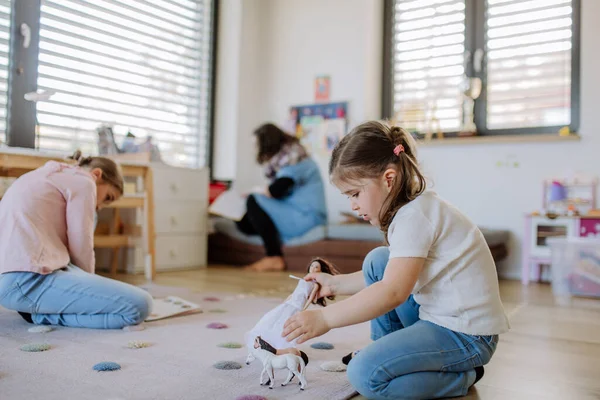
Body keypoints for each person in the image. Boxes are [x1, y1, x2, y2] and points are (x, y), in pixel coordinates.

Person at [281, 121, 510, 399]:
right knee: (380, 260)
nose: (352, 205)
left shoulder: (415, 216)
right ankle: (388, 351)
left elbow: (393, 291)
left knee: (365, 375)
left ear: (389, 179)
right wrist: (335, 284)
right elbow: (392, 275)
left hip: (467, 336)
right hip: (443, 319)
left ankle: (462, 377)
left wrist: (325, 318)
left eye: (355, 193)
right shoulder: (414, 209)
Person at [0, 151, 152, 329]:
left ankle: (39, 310)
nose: (100, 207)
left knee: (82, 276)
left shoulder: (46, 174)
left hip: (12, 279)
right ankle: (41, 316)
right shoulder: (85, 182)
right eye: (107, 198)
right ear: (97, 174)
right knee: (139, 305)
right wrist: (91, 286)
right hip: (27, 281)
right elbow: (81, 246)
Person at [237, 123, 327, 272]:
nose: (254, 149)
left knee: (253, 199)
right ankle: (273, 246)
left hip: (306, 216)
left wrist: (256, 191)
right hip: (296, 211)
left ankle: (274, 257)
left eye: (256, 144)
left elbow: (276, 191)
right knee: (243, 222)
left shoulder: (296, 159)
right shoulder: (288, 158)